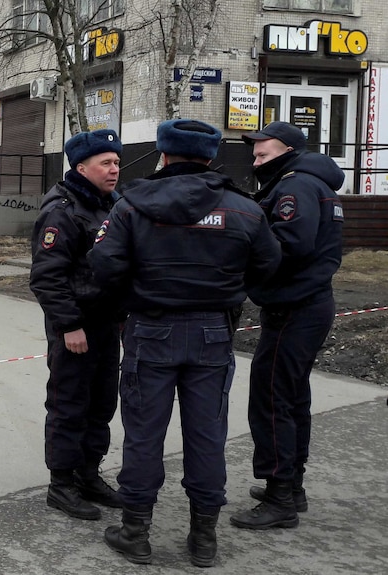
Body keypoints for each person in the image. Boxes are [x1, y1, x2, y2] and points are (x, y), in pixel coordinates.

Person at [89, 119, 281, 566]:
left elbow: (104, 265)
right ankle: (204, 539)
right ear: (211, 157)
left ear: (163, 154)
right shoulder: (244, 208)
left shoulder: (131, 205)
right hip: (213, 333)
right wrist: (226, 288)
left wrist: (136, 295)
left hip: (150, 330)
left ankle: (136, 532)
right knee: (207, 435)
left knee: (143, 434)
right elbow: (269, 264)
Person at [230, 121, 345, 530]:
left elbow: (287, 245)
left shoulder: (295, 187)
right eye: (255, 154)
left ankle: (280, 497)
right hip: (308, 305)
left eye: (264, 154)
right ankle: (291, 485)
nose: (256, 161)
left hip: (294, 308)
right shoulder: (313, 184)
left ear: (289, 152)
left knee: (272, 398)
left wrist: (238, 251)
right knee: (293, 397)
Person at [29, 129, 125, 521]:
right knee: (70, 404)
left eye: (117, 162)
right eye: (106, 163)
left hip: (106, 324)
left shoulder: (111, 205)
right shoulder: (62, 210)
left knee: (101, 403)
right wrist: (69, 325)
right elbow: (47, 277)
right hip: (76, 326)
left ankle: (88, 474)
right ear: (81, 167)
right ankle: (62, 485)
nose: (114, 169)